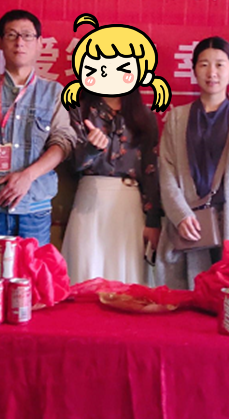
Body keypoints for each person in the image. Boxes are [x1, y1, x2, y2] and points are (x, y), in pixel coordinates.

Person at [0, 10, 76, 266]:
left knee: (32, 282)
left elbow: (63, 143)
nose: (19, 42)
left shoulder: (54, 92)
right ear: (0, 42)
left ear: (39, 43)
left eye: (27, 36)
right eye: (12, 35)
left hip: (34, 208)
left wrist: (28, 176)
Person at [156, 37, 229, 289]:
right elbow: (166, 171)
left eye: (220, 65)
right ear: (194, 69)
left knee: (228, 295)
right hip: (187, 226)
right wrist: (181, 216)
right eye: (204, 64)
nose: (211, 72)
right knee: (183, 298)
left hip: (228, 224)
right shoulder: (177, 118)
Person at [62, 91, 161, 285]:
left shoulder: (144, 116)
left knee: (127, 278)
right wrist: (91, 149)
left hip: (129, 203)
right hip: (90, 202)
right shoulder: (79, 111)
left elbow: (150, 169)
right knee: (85, 272)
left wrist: (153, 220)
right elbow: (72, 164)